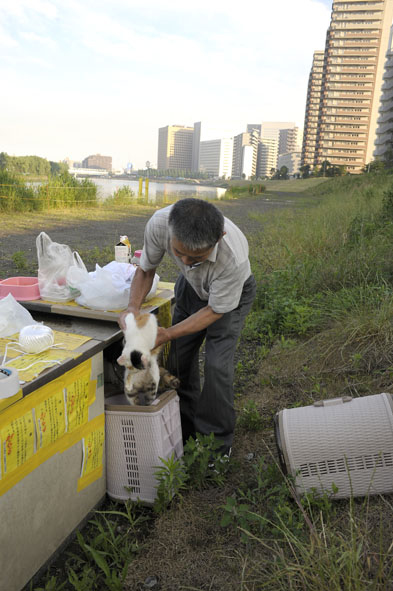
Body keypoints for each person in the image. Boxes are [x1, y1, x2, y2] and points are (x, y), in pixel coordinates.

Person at [119, 198, 256, 454]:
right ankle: (185, 428)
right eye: (178, 253)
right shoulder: (160, 223)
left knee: (217, 367)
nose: (185, 260)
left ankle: (216, 445)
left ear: (219, 237)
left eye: (196, 257)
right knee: (179, 358)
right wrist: (132, 309)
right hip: (191, 288)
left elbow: (214, 310)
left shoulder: (232, 258)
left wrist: (167, 333)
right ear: (171, 231)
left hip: (227, 300)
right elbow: (146, 270)